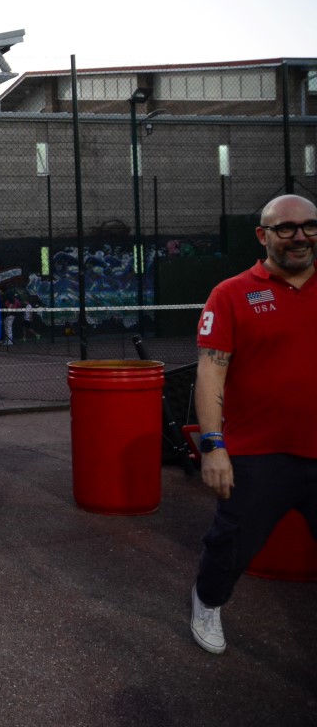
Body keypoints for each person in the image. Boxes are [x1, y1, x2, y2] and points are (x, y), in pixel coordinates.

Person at [189, 194, 317, 655]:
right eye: (286, 228)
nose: (300, 236)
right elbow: (210, 372)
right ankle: (207, 601)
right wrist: (213, 445)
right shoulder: (231, 294)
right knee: (231, 545)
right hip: (258, 454)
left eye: (309, 226)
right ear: (263, 235)